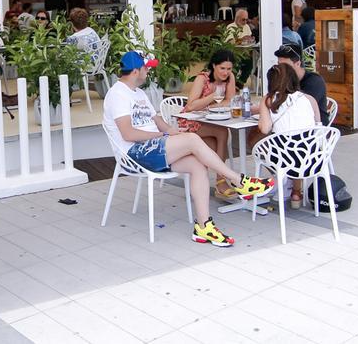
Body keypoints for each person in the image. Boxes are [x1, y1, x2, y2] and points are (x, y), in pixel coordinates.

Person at [103, 51, 272, 247]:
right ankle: (239, 181)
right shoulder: (117, 94)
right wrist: (163, 135)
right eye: (146, 68)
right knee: (192, 139)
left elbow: (157, 121)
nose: (148, 71)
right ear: (135, 71)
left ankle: (203, 227)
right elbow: (128, 134)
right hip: (135, 153)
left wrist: (170, 131)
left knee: (198, 165)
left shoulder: (139, 93)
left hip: (154, 148)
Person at [254, 63, 321, 209]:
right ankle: (296, 192)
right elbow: (318, 127)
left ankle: (280, 180)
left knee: (260, 146)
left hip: (285, 160)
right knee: (298, 144)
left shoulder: (269, 99)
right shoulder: (309, 98)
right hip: (313, 158)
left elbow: (265, 129)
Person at [178, 50, 239, 198]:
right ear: (214, 66)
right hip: (190, 121)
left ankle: (215, 181)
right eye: (222, 68)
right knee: (223, 132)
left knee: (215, 141)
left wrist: (212, 106)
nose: (226, 72)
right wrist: (213, 96)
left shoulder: (230, 78)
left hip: (210, 120)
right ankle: (221, 181)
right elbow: (191, 105)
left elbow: (229, 101)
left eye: (229, 69)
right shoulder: (202, 78)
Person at [274, 44, 332, 127]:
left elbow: (296, 107)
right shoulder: (284, 79)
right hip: (291, 127)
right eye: (279, 64)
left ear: (297, 64)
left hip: (313, 131)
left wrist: (261, 108)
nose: (280, 68)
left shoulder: (314, 81)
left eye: (285, 66)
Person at [224, 9, 256, 84]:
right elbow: (230, 42)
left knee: (250, 65)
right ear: (237, 18)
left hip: (245, 53)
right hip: (234, 54)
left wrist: (251, 39)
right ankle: (231, 84)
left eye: (246, 20)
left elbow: (249, 38)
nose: (245, 22)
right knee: (236, 66)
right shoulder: (231, 27)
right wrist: (241, 39)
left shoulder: (246, 26)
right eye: (243, 20)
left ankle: (240, 84)